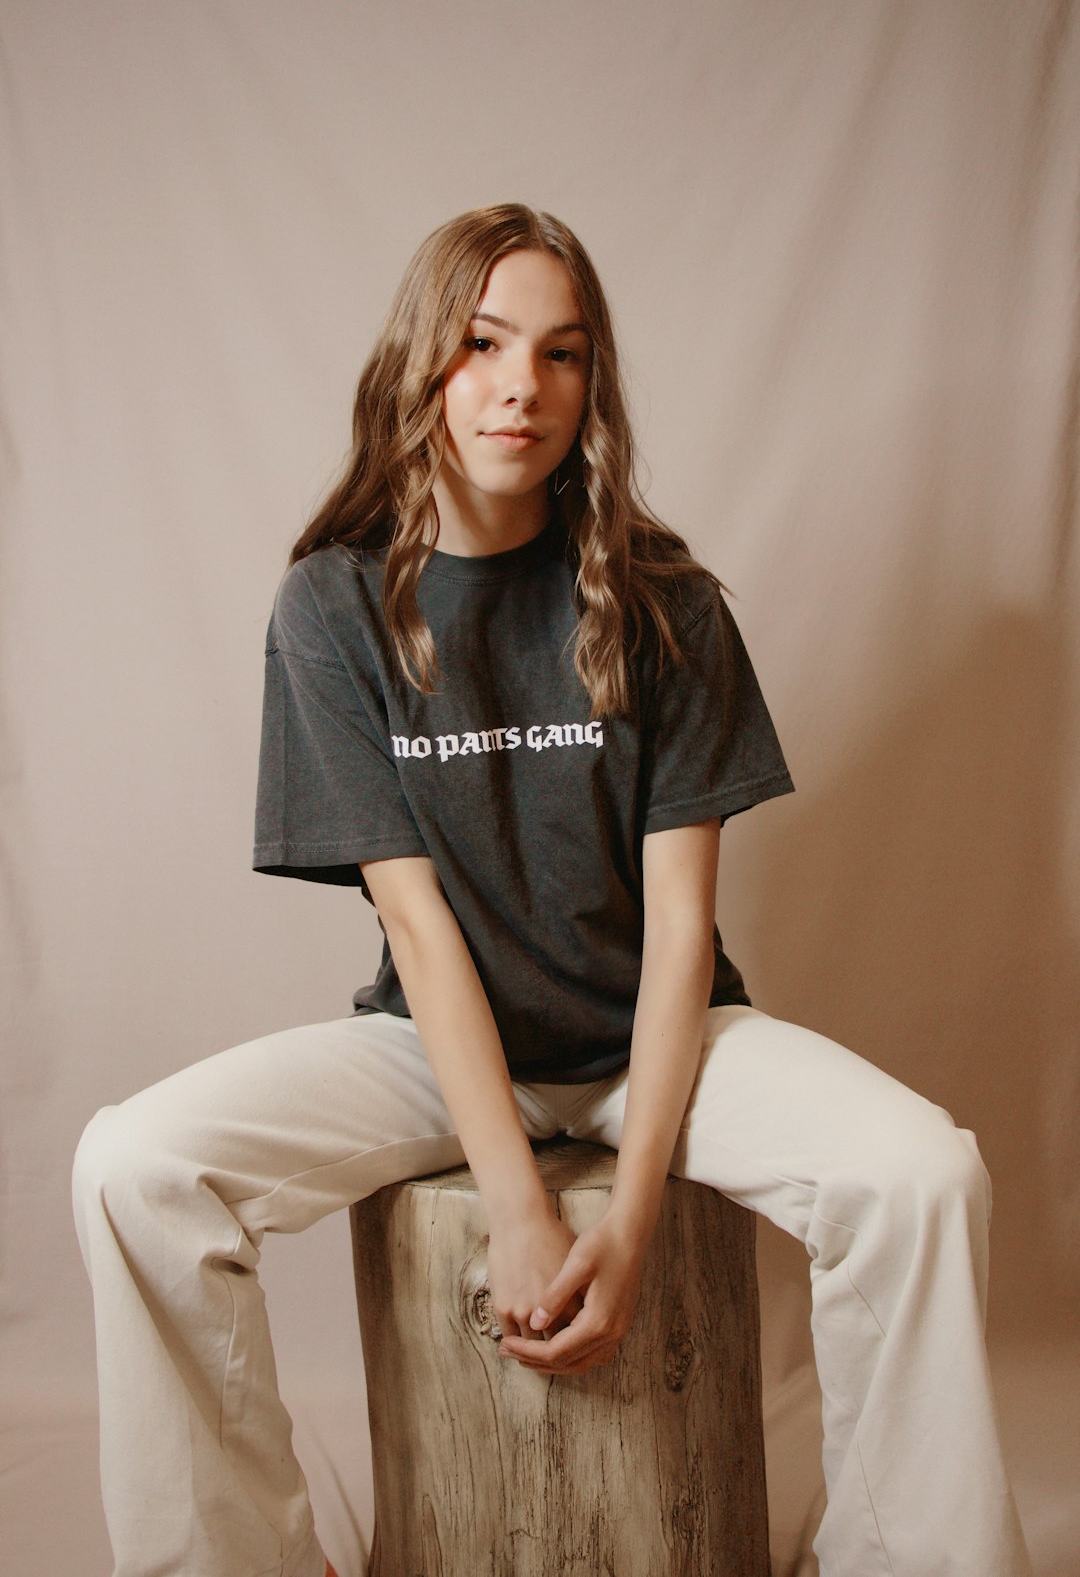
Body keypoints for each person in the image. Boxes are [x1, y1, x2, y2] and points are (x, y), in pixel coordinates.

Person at [73, 203, 1030, 1577]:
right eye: (482, 344)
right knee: (133, 1166)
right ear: (422, 364)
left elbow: (686, 932)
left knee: (926, 1176)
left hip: (659, 1045)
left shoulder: (666, 603)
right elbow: (414, 917)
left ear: (596, 384)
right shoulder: (333, 609)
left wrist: (626, 1221)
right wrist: (520, 1207)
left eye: (564, 353)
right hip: (432, 1045)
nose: (523, 386)